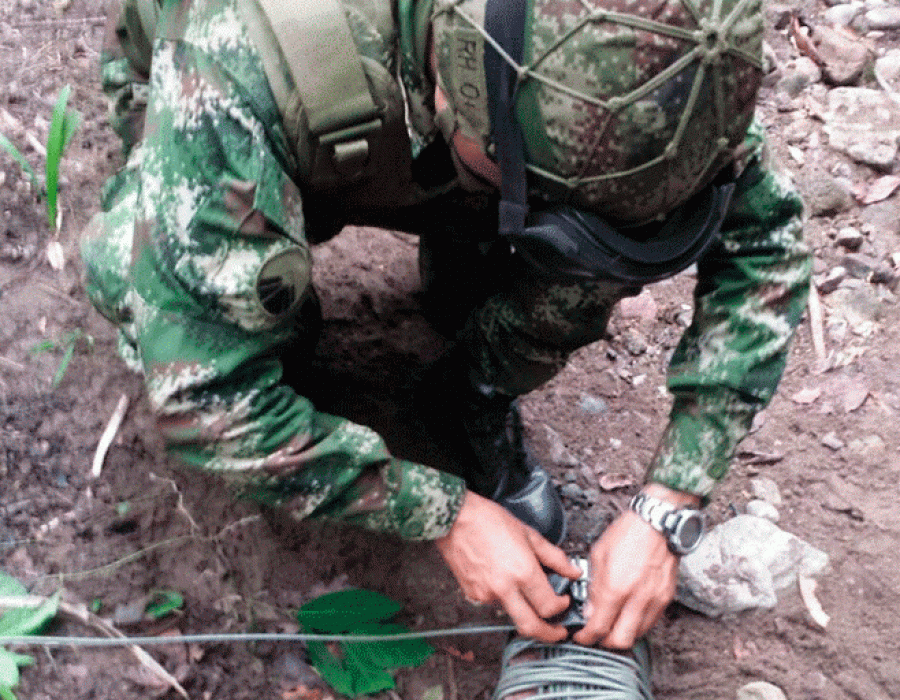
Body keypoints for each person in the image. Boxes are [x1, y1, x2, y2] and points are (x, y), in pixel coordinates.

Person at [82, 0, 811, 653]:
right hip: (269, 110)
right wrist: (441, 513)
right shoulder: (236, 55)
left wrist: (668, 507)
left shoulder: (663, 54)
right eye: (544, 203)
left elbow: (765, 248)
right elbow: (205, 398)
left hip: (438, 145)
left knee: (595, 252)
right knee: (233, 313)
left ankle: (468, 391)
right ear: (456, 92)